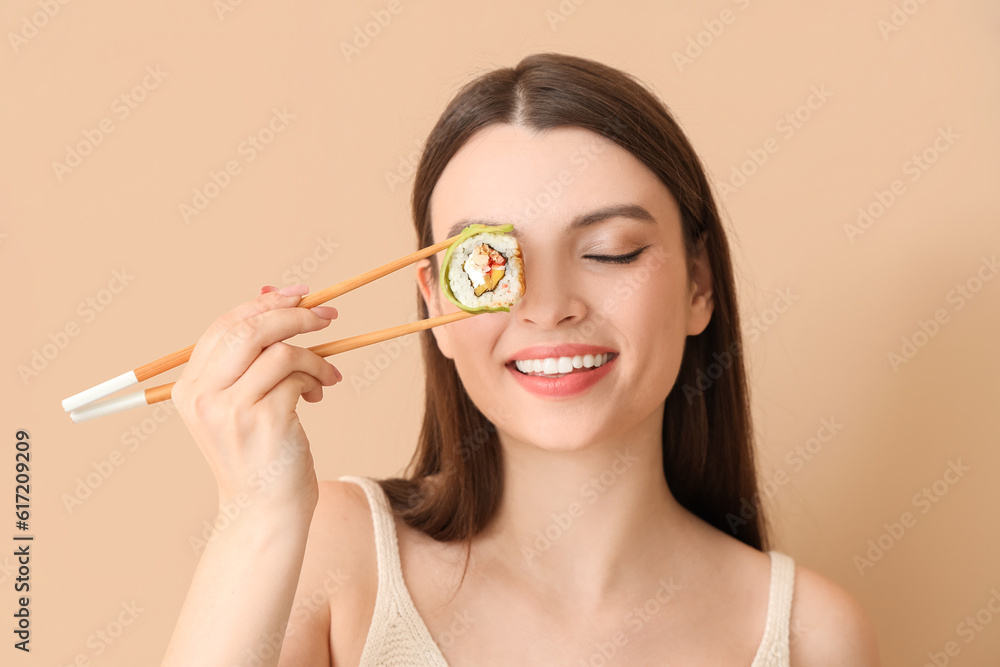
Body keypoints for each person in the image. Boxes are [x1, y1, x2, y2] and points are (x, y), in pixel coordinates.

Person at [161, 53, 880, 666]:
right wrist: (256, 512)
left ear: (699, 284)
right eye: (488, 266)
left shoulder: (811, 633)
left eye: (611, 252)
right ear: (437, 306)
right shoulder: (339, 553)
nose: (547, 306)